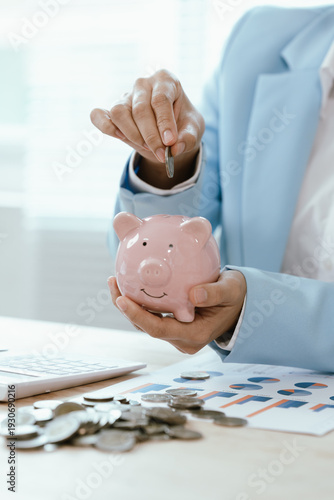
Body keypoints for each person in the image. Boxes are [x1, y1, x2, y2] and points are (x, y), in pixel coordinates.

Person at [91, 5, 334, 372]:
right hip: (251, 389)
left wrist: (253, 312)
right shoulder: (256, 42)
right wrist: (166, 159)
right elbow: (161, 236)